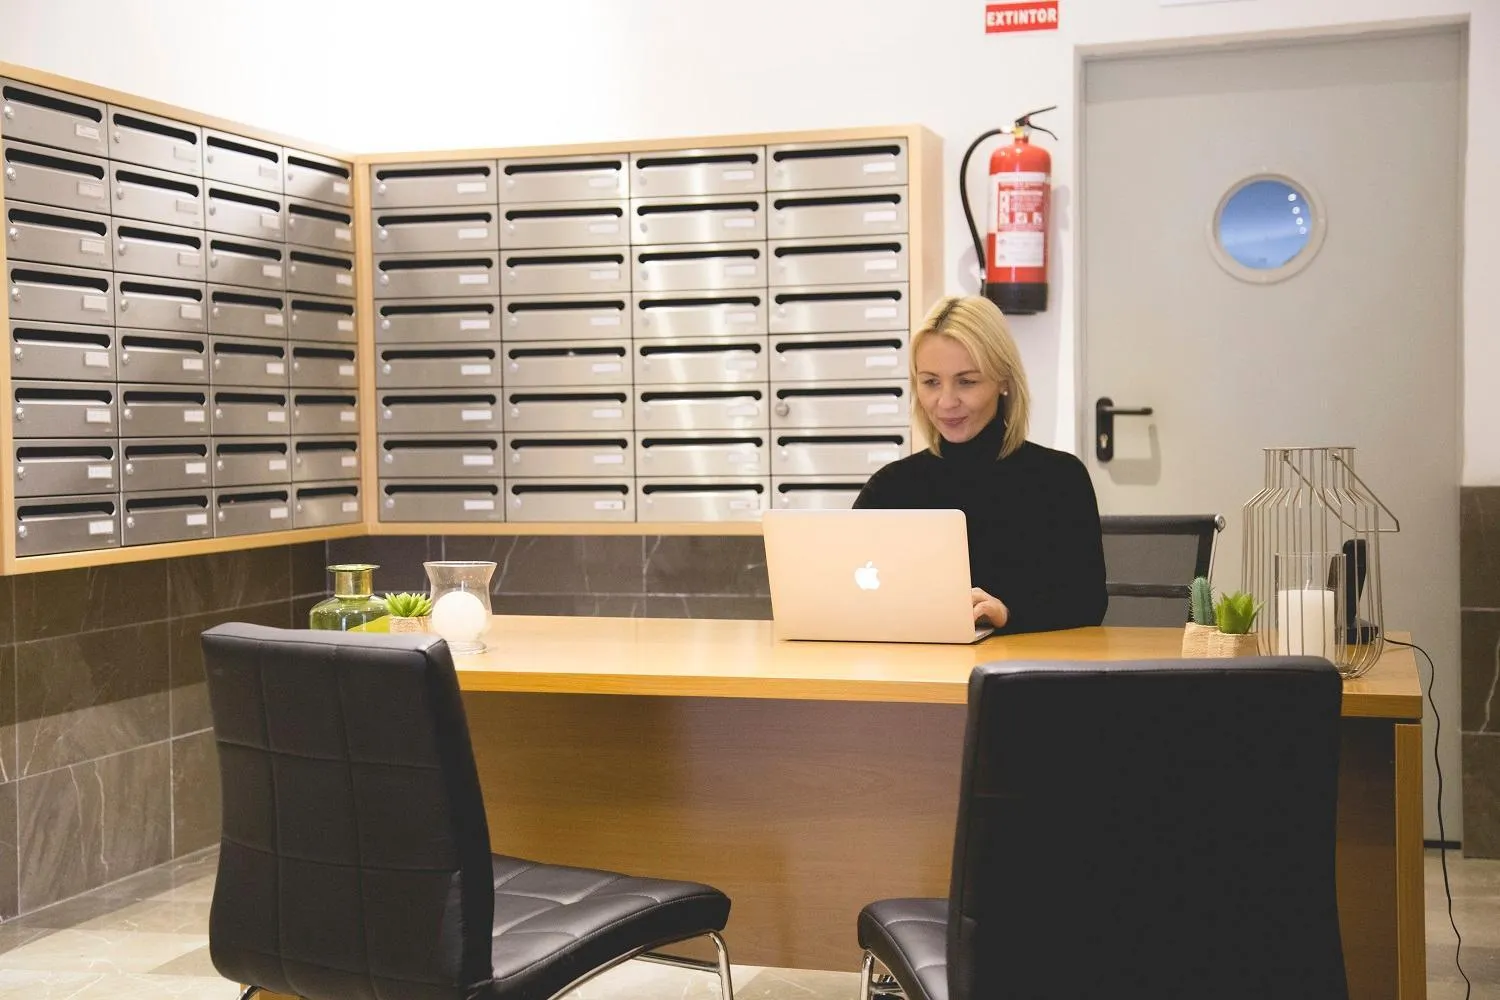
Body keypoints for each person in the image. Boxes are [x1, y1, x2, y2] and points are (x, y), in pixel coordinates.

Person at [853, 294, 1108, 634]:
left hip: (1017, 676)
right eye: (930, 382)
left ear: (1003, 380)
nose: (946, 402)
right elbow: (848, 589)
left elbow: (1086, 602)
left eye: (967, 381)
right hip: (916, 673)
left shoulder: (1059, 479)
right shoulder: (890, 487)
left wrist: (1008, 613)